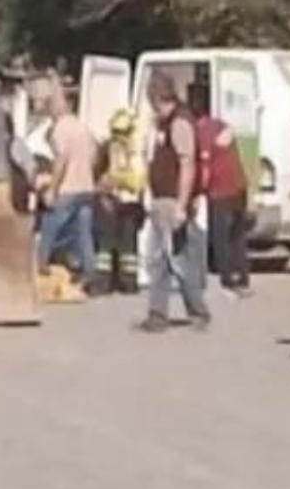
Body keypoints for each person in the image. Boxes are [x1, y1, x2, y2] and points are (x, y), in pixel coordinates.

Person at [140, 71, 210, 332]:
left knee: (177, 260)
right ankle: (158, 314)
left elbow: (187, 164)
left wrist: (181, 204)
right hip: (162, 199)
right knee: (159, 259)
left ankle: (197, 312)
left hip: (172, 200)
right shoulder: (165, 122)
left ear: (158, 97)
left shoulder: (179, 123)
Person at [34, 77, 99, 291]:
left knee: (51, 225)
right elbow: (95, 155)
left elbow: (61, 160)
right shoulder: (83, 127)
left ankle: (41, 264)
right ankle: (89, 272)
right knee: (84, 232)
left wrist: (52, 188)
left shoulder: (61, 129)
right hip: (87, 187)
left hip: (68, 188)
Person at [196, 109, 252, 297]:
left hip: (221, 190)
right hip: (239, 185)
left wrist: (198, 191)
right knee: (238, 235)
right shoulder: (220, 125)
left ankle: (226, 277)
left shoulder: (201, 132)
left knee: (221, 236)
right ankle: (243, 276)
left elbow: (205, 168)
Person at [94, 108, 145, 295]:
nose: (119, 137)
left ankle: (128, 281)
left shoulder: (136, 153)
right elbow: (98, 173)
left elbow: (139, 181)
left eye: (122, 133)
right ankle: (103, 282)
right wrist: (103, 188)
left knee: (128, 248)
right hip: (110, 202)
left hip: (130, 204)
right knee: (105, 248)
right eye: (116, 133)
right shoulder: (108, 148)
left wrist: (118, 179)